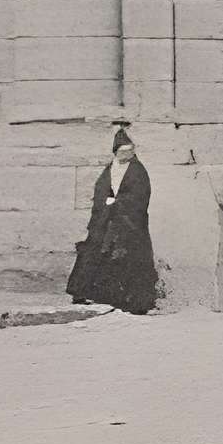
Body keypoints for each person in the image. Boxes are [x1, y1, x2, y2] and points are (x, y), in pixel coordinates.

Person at [66, 125, 157, 315]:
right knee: (95, 249)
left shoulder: (138, 171)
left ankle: (134, 302)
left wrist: (119, 203)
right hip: (106, 220)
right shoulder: (110, 169)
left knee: (130, 256)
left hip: (129, 222)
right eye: (123, 151)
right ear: (116, 152)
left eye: (130, 151)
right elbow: (100, 190)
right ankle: (87, 293)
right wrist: (106, 202)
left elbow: (141, 195)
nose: (127, 155)